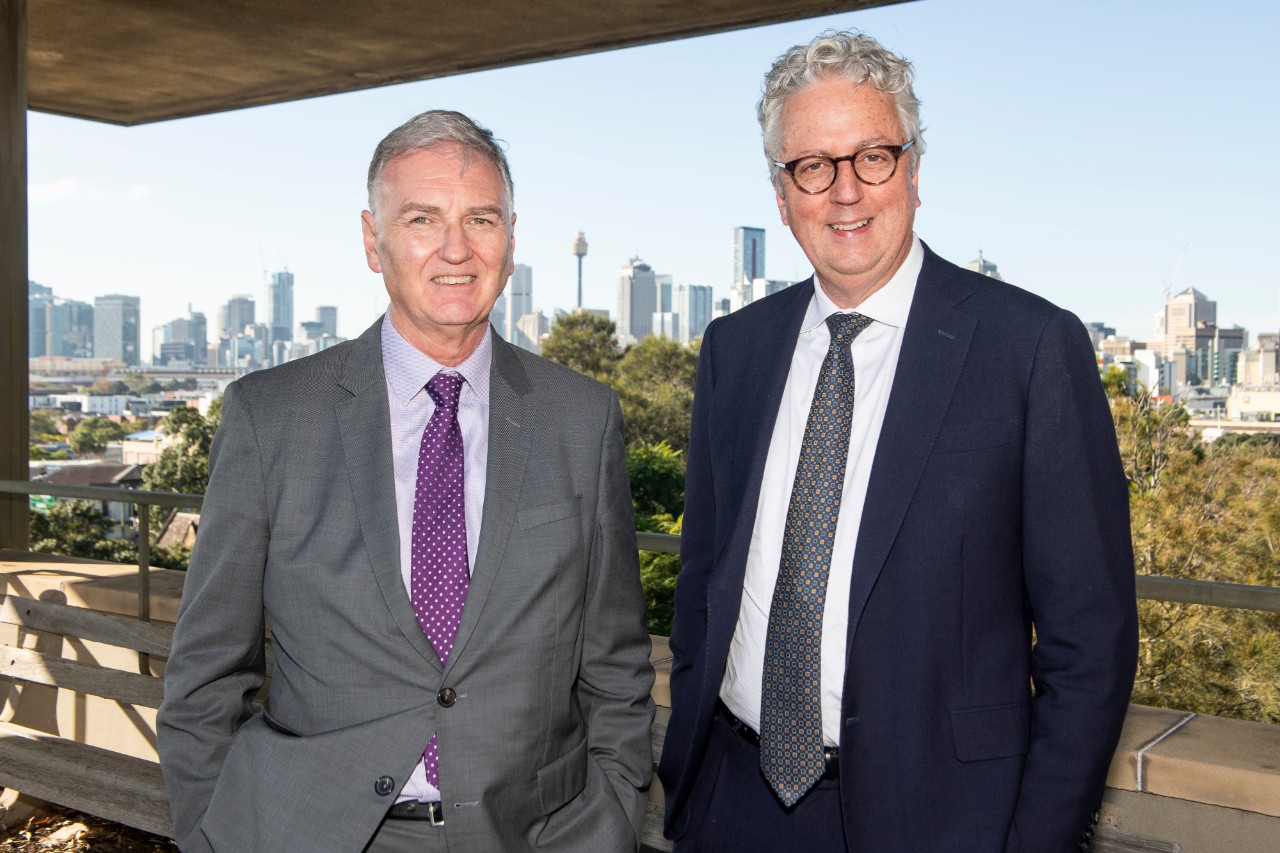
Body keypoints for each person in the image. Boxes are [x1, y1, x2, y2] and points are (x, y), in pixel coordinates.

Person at [658, 31, 1137, 852]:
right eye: (813, 165)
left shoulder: (1027, 348)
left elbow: (1089, 644)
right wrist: (689, 781)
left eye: (872, 156)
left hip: (943, 819)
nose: (845, 191)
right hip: (733, 804)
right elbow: (703, 576)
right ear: (781, 193)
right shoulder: (733, 352)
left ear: (914, 169)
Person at [158, 109, 655, 853]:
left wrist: (609, 819)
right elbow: (205, 672)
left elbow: (614, 664)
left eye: (481, 219)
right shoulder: (271, 417)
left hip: (536, 835)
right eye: (423, 218)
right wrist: (211, 832)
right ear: (372, 239)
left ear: (510, 240)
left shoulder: (581, 420)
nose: (456, 248)